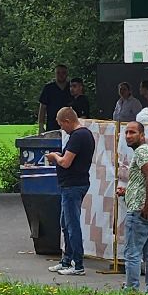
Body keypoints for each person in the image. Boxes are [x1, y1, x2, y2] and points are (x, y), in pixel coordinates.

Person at [44, 106, 95, 275]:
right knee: (65, 224)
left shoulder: (77, 136)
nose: (62, 129)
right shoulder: (85, 135)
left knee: (72, 225)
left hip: (72, 186)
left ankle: (78, 264)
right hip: (74, 184)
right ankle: (66, 260)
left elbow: (66, 162)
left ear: (67, 121)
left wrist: (54, 157)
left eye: (61, 125)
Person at [115, 120, 148, 292]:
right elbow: (144, 181)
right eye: (126, 132)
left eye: (133, 132)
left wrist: (147, 205)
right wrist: (127, 191)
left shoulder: (141, 152)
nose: (128, 136)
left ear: (142, 135)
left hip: (140, 211)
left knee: (132, 253)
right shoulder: (146, 151)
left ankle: (131, 290)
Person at [39, 64, 74, 132]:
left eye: (63, 73)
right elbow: (42, 107)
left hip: (70, 125)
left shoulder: (72, 88)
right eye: (58, 73)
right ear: (55, 74)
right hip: (52, 125)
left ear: (67, 74)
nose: (61, 75)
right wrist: (41, 125)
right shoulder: (48, 88)